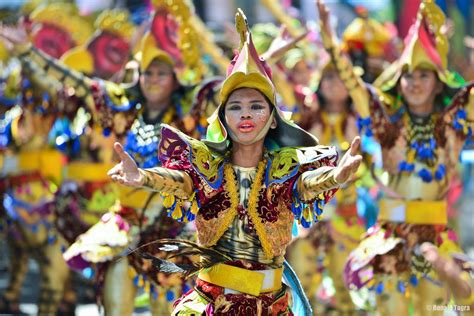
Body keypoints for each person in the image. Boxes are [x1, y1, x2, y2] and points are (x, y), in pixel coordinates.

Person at [107, 9, 362, 315]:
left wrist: (336, 177)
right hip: (210, 304)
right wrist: (142, 176)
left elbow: (308, 185)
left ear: (271, 121)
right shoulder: (207, 164)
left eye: (256, 106)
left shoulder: (287, 167)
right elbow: (178, 179)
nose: (245, 114)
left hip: (271, 305)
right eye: (236, 107)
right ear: (224, 119)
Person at [317, 0, 473, 314]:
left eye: (424, 76)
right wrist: (332, 44)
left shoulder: (453, 124)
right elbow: (357, 89)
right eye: (408, 76)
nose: (415, 83)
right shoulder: (387, 123)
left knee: (438, 309)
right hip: (389, 243)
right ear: (398, 82)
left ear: (437, 81)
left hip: (435, 240)